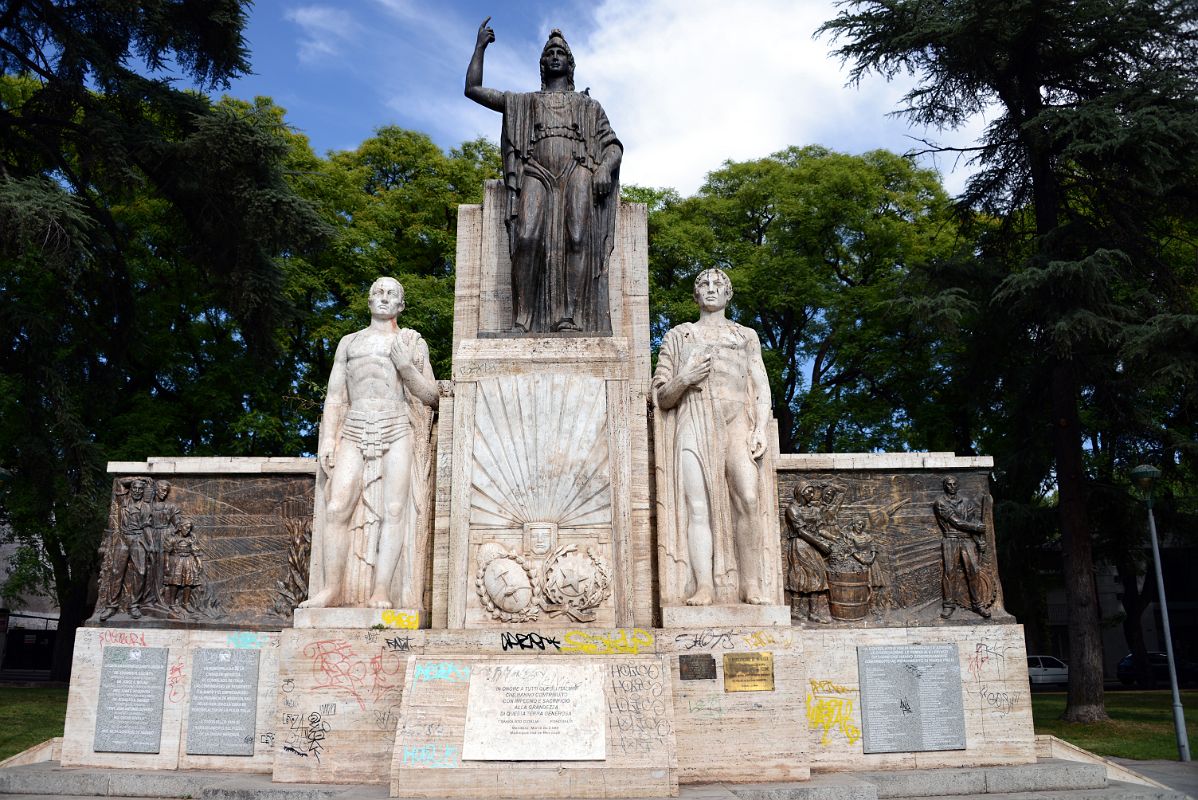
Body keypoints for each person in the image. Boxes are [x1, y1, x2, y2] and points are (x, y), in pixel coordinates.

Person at [465, 18, 622, 333]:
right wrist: (480, 48)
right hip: (536, 170)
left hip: (577, 169)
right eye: (549, 52)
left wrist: (604, 167)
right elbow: (473, 90)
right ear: (542, 64)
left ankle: (570, 315)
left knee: (578, 237)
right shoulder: (525, 101)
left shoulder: (588, 105)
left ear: (569, 64)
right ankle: (523, 318)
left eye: (559, 53)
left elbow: (613, 146)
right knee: (526, 237)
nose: (554, 56)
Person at [300, 277, 439, 609]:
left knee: (394, 509)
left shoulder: (411, 342)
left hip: (396, 425)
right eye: (378, 291)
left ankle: (381, 590)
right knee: (336, 508)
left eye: (391, 294)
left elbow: (433, 395)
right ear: (368, 299)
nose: (384, 297)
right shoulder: (350, 342)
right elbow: (335, 396)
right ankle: (331, 589)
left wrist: (406, 367)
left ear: (401, 305)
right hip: (355, 424)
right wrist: (330, 438)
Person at [653, 269, 773, 605]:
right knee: (697, 506)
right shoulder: (679, 336)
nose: (710, 289)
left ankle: (751, 583)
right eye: (703, 284)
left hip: (737, 422)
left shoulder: (744, 335)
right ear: (695, 294)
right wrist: (685, 377)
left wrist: (760, 426)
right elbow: (661, 397)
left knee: (748, 498)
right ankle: (703, 584)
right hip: (693, 421)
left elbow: (760, 384)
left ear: (728, 294)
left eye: (718, 285)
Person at [934, 475, 993, 618]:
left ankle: (978, 604)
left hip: (967, 540)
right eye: (949, 484)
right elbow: (957, 522)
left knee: (974, 571)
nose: (952, 487)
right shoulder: (940, 502)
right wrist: (976, 527)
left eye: (954, 484)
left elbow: (971, 522)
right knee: (949, 573)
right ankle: (948, 605)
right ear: (945, 486)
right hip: (950, 540)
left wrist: (979, 540)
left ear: (958, 486)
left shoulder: (967, 502)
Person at [98, 477, 153, 620]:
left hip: (138, 539)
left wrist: (151, 545)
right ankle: (111, 607)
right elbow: (120, 482)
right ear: (130, 489)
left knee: (141, 572)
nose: (137, 491)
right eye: (134, 488)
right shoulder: (123, 501)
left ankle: (134, 605)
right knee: (116, 572)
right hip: (123, 539)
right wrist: (138, 478)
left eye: (140, 489)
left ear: (143, 492)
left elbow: (147, 527)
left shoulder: (146, 507)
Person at [785, 483, 831, 622]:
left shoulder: (814, 509)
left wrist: (832, 538)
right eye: (809, 492)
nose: (812, 495)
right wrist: (820, 544)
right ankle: (796, 611)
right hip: (800, 545)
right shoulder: (792, 509)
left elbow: (819, 529)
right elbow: (801, 531)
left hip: (813, 544)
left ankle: (813, 613)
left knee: (817, 575)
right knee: (799, 576)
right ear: (800, 492)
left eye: (813, 492)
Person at [164, 519, 202, 612]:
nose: (188, 530)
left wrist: (198, 561)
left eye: (190, 529)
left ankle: (185, 603)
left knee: (188, 582)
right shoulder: (173, 539)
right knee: (175, 582)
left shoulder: (190, 539)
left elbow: (194, 551)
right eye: (186, 528)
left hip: (188, 561)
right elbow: (166, 553)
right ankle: (172, 604)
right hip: (176, 561)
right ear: (180, 527)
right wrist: (167, 565)